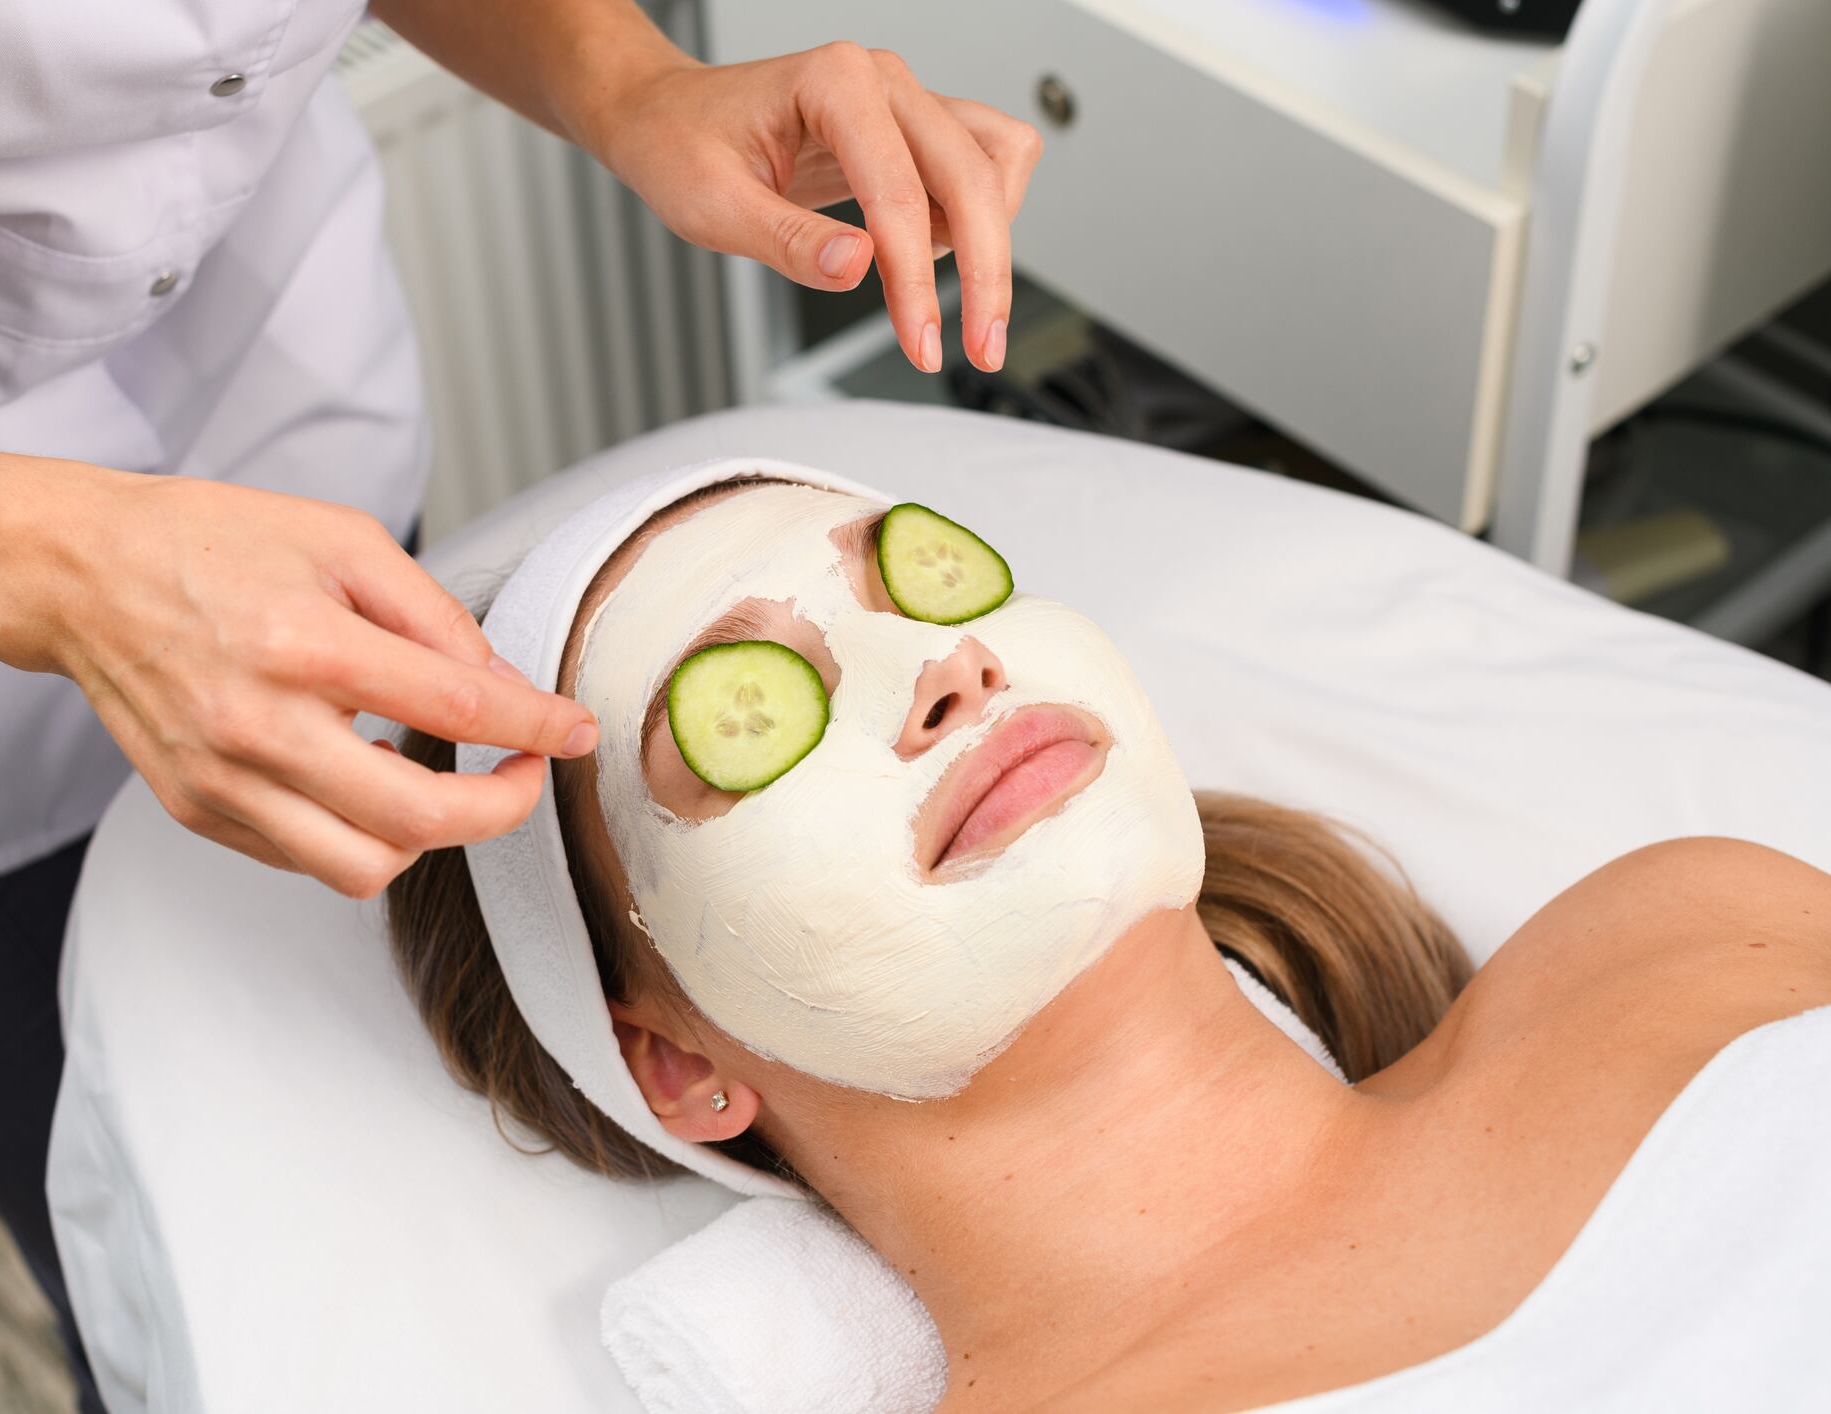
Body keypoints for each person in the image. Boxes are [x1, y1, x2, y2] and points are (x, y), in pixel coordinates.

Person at [0, 5, 1041, 1407]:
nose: (945, 675)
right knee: (170, 1276)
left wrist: (626, 78)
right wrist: (58, 573)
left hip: (280, 416)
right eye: (756, 710)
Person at [389, 472, 1831, 1411]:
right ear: (672, 1063)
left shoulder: (1685, 933)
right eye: (746, 708)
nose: (947, 666)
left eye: (925, 579)